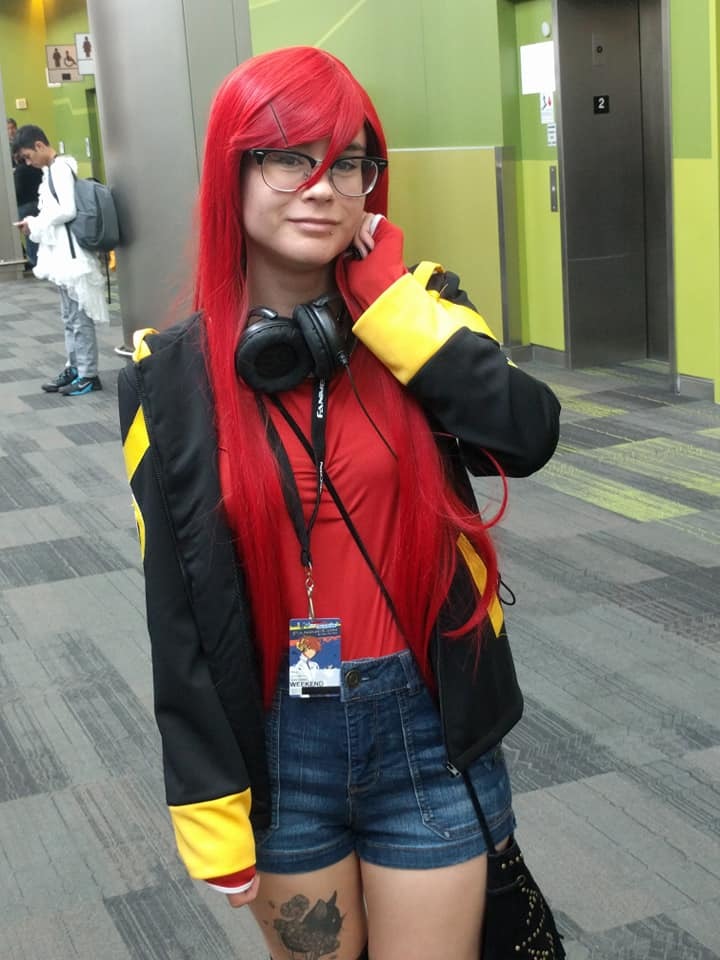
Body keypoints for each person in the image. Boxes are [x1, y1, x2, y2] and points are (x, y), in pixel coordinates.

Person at [118, 46, 561, 960]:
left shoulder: (422, 314)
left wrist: (384, 304)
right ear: (231, 172)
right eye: (289, 157)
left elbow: (526, 434)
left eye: (348, 162)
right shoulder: (167, 379)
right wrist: (206, 796)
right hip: (279, 743)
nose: (323, 186)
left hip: (424, 723)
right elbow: (177, 605)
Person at [14, 124, 107, 395]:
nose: (28, 163)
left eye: (28, 156)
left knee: (79, 318)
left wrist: (35, 223)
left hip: (72, 257)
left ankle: (88, 374)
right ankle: (75, 367)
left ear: (39, 145)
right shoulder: (53, 170)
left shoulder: (60, 169)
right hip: (65, 257)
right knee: (70, 317)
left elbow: (67, 210)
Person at [12, 143, 42, 268]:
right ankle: (42, 260)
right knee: (39, 233)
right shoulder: (38, 167)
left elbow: (17, 190)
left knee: (30, 235)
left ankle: (34, 261)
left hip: (24, 205)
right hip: (38, 203)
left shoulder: (19, 170)